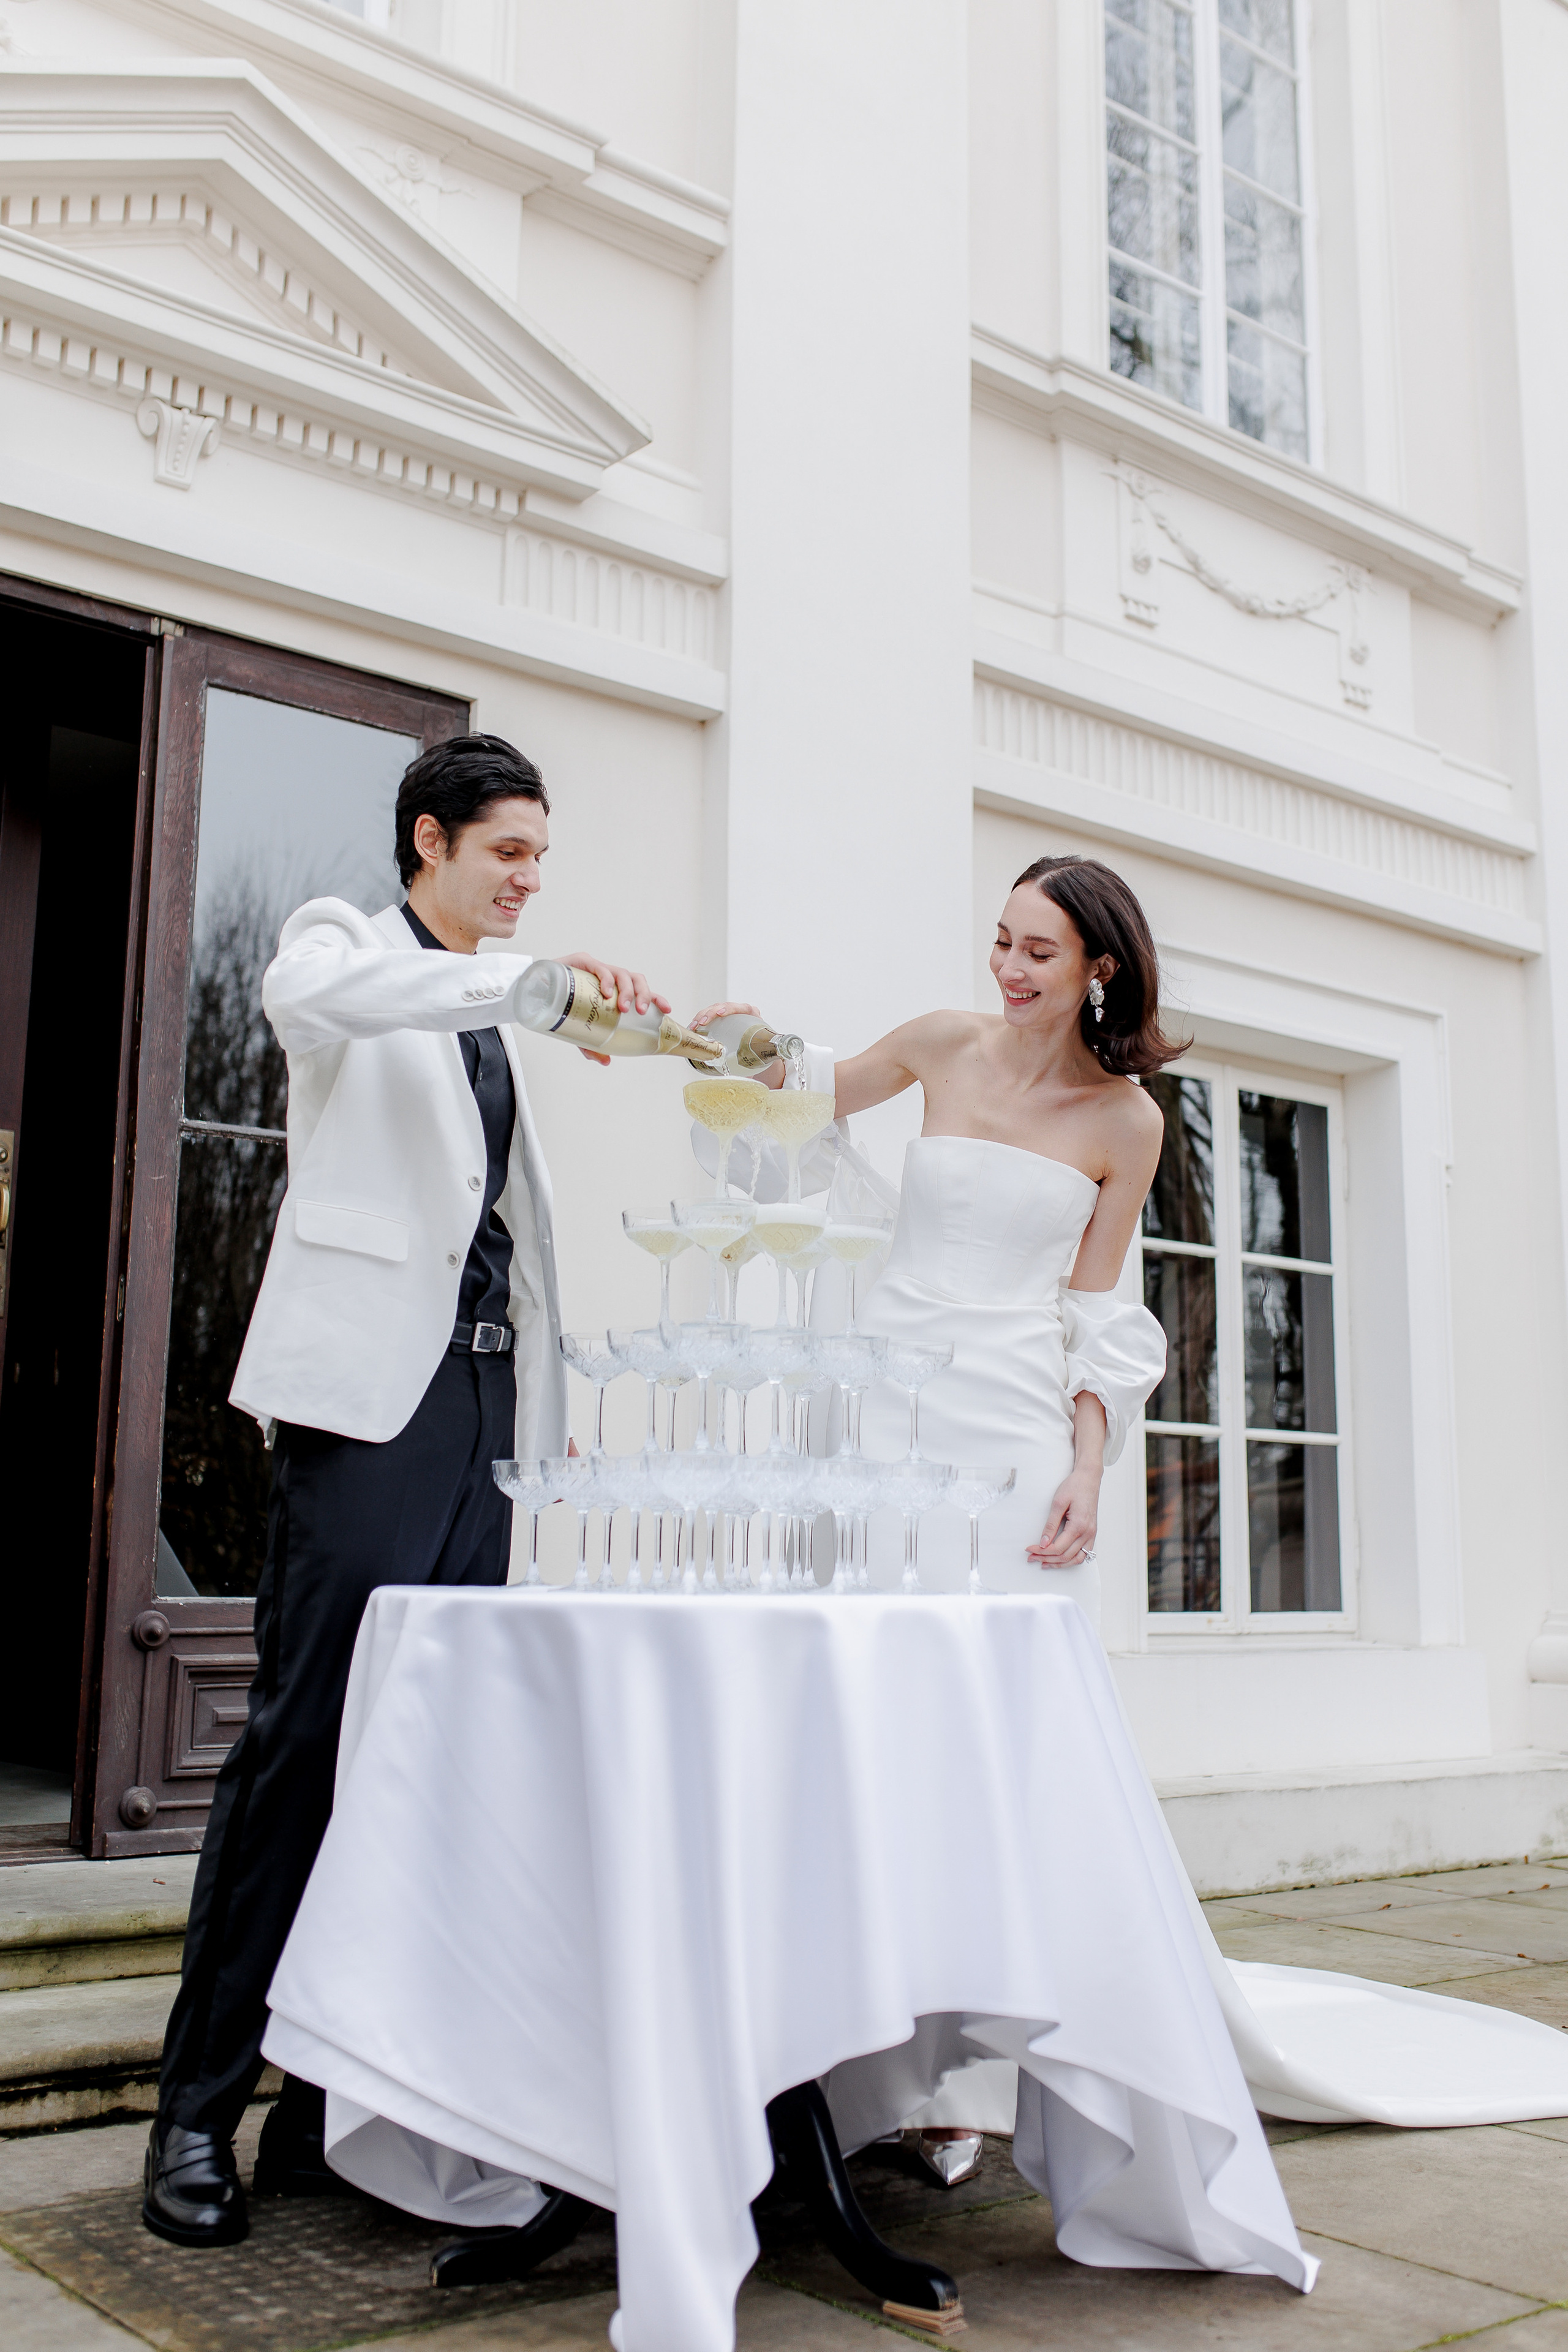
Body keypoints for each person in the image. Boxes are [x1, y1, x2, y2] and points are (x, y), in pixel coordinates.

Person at [701, 848, 1568, 2158]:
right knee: (866, 1716)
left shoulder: (1127, 1120)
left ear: (1098, 967)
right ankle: (854, 2052)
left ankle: (971, 2073)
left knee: (996, 1744)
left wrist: (1088, 1464)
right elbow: (797, 1090)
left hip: (1010, 1439)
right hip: (882, 1422)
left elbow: (1099, 1311)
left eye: (1035, 951)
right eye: (998, 940)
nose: (1005, 969)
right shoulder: (940, 1043)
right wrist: (725, 1039)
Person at [144, 733, 669, 2249]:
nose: (525, 884)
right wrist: (525, 979)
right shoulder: (340, 948)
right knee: (304, 1744)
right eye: (507, 853)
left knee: (423, 1754)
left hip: (487, 1405)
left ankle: (339, 2102)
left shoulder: (490, 1014)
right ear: (428, 839)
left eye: (538, 863)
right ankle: (196, 2114)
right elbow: (326, 1002)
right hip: (372, 1412)